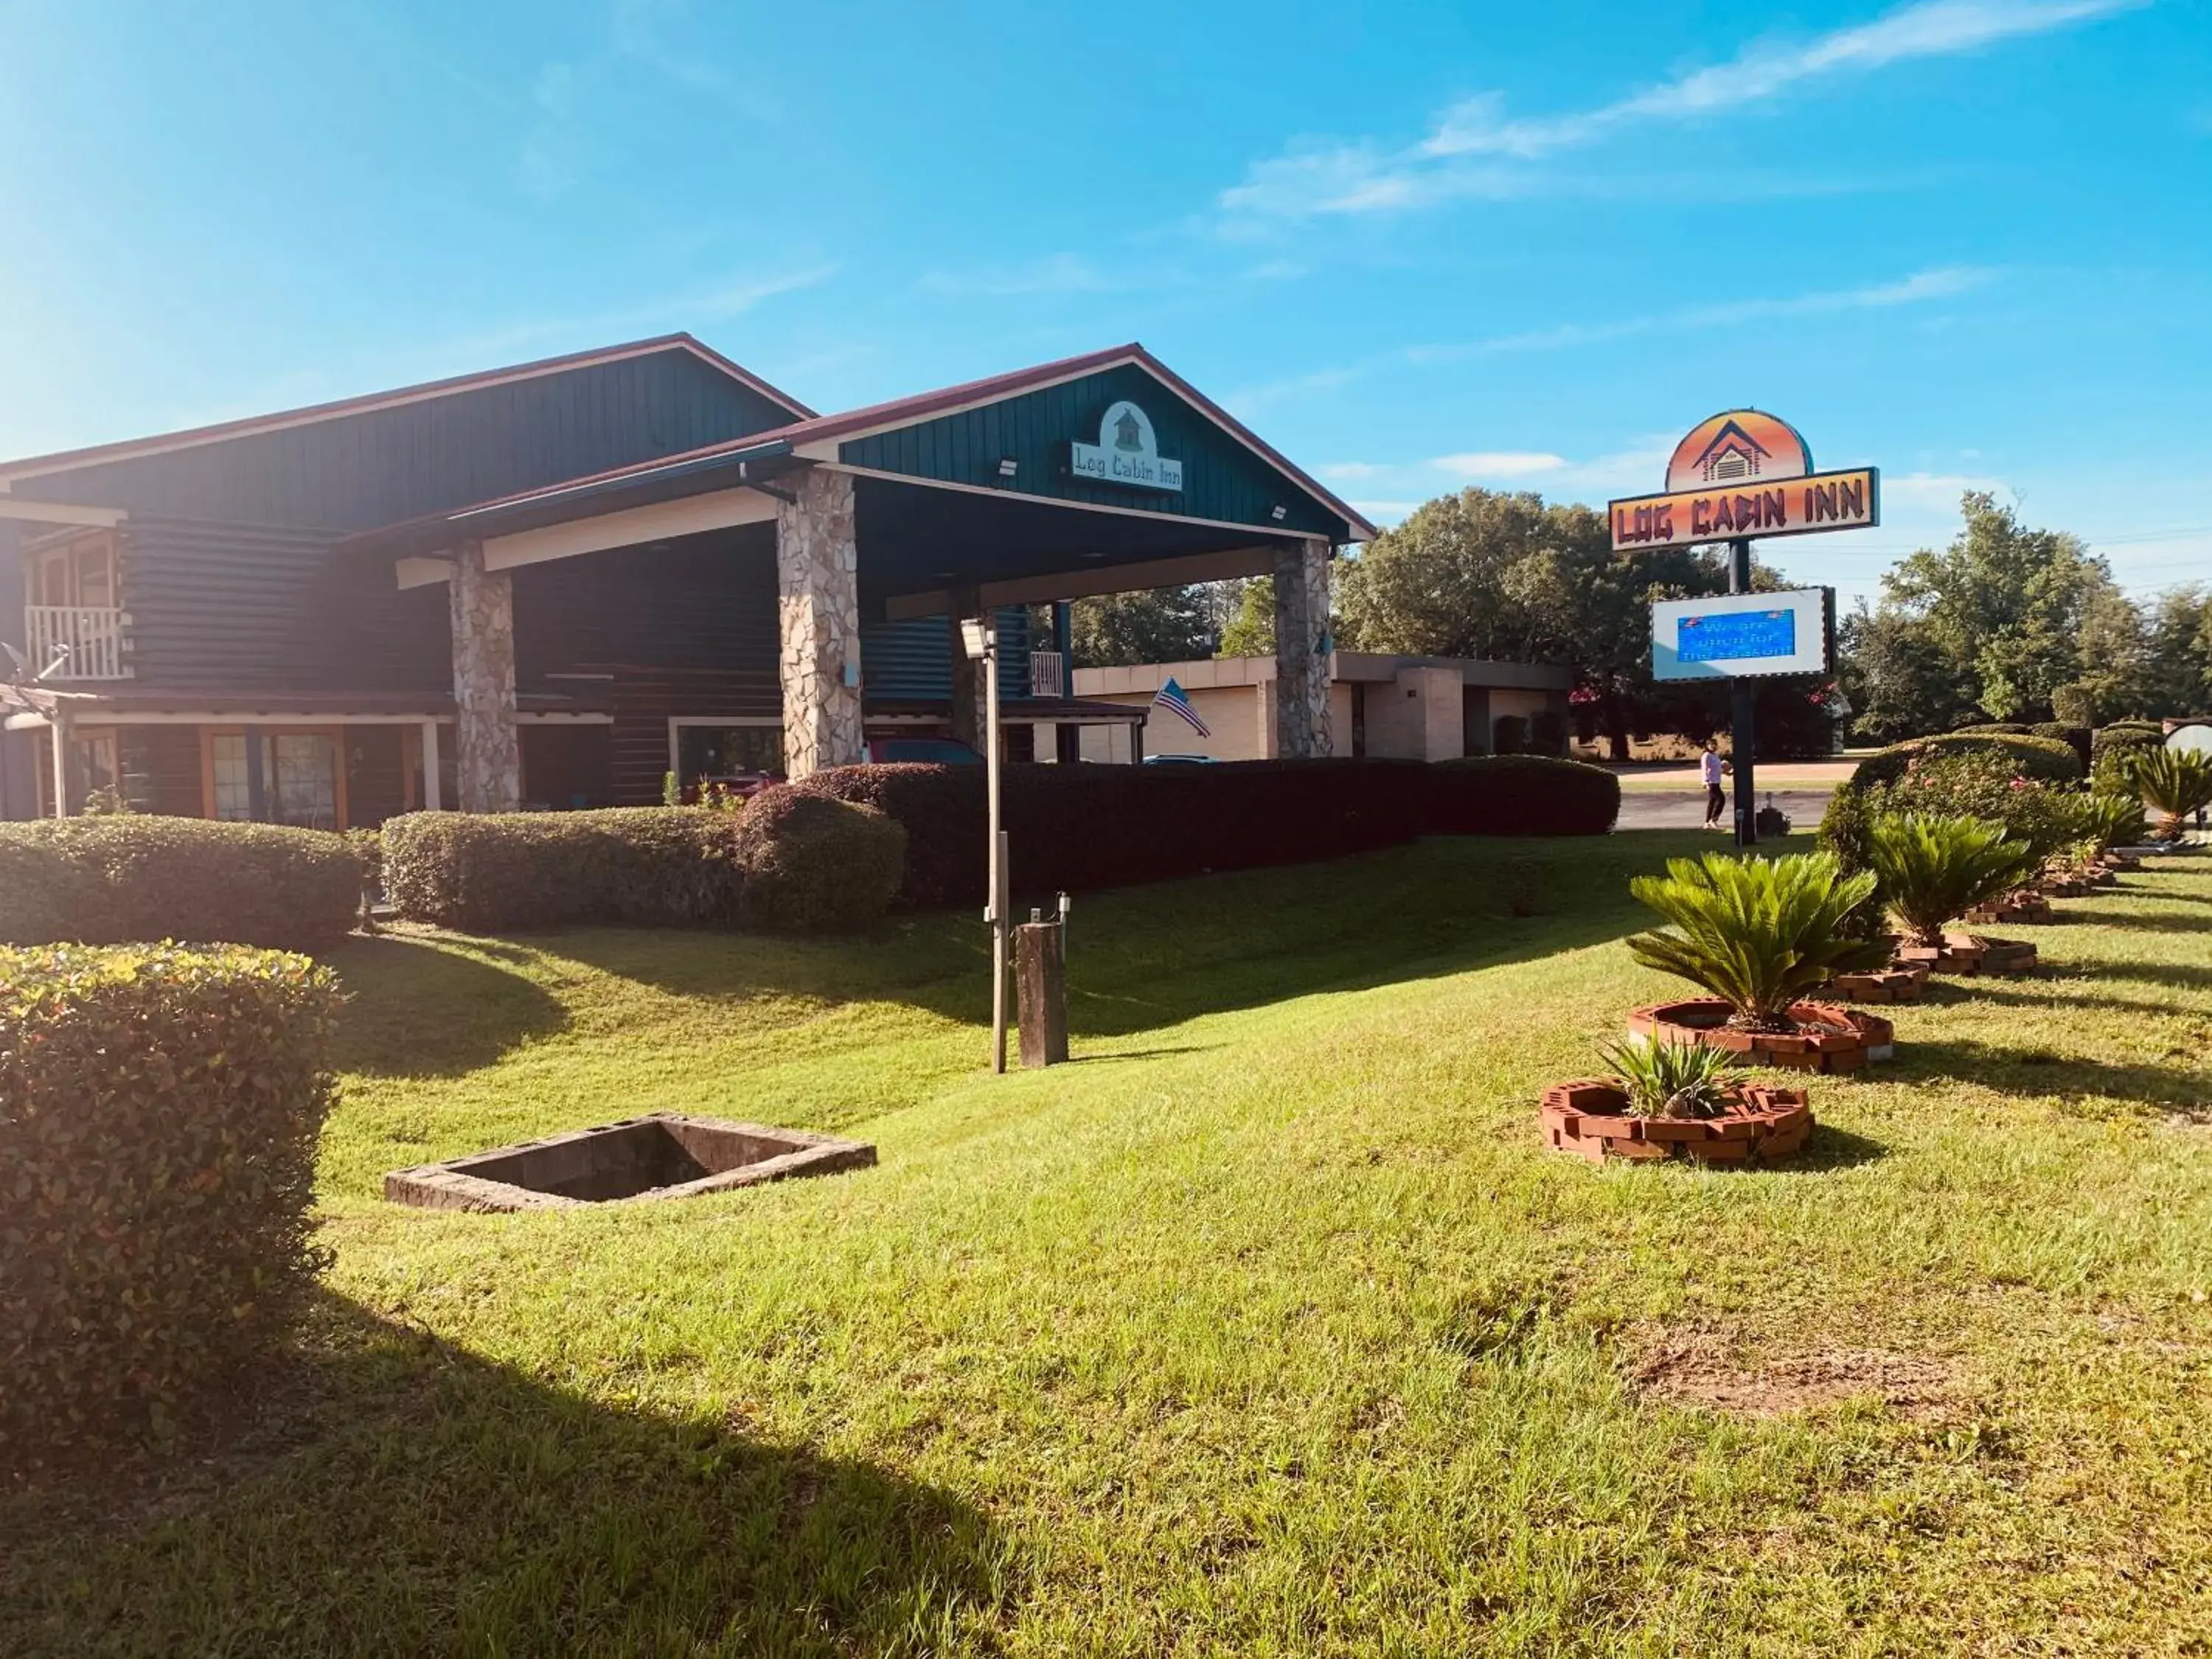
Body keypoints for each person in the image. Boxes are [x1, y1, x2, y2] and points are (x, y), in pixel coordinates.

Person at [1700, 739, 1731, 830]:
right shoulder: (1706, 756)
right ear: (1707, 745)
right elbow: (1704, 769)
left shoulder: (1715, 756)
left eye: (1714, 744)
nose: (1713, 746)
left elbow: (1717, 769)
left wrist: (1726, 772)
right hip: (1711, 782)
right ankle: (1713, 820)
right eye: (1711, 744)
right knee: (1721, 799)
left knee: (1712, 802)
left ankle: (1707, 822)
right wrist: (1705, 782)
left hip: (1716, 781)